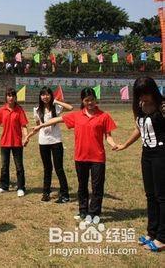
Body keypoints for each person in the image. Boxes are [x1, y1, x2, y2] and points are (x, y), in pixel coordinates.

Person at [32, 87, 118, 222]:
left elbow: (108, 136)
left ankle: (94, 213)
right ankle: (83, 211)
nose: (90, 103)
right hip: (81, 156)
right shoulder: (77, 115)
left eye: (92, 100)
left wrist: (113, 144)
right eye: (87, 100)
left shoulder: (104, 116)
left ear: (96, 100)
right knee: (82, 186)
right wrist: (40, 126)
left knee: (97, 187)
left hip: (98, 157)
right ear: (82, 101)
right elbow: (57, 119)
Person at [114, 77, 165, 252]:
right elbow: (139, 129)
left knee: (162, 196)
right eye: (140, 95)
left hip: (161, 154)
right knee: (150, 195)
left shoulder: (162, 106)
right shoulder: (139, 107)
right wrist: (125, 145)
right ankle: (152, 233)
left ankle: (162, 237)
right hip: (147, 154)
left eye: (147, 94)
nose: (144, 98)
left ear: (153, 91)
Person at [27, 87, 73, 203]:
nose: (45, 97)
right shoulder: (37, 110)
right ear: (40, 96)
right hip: (43, 142)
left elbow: (70, 108)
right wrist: (27, 136)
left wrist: (56, 101)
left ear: (51, 96)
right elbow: (38, 127)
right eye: (43, 95)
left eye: (47, 95)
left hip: (56, 141)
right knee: (47, 168)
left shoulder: (56, 107)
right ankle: (46, 193)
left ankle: (65, 194)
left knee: (59, 168)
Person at [0, 88, 29, 197]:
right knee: (4, 166)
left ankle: (21, 187)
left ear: (15, 97)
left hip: (17, 142)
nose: (11, 97)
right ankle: (4, 186)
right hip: (4, 142)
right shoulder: (2, 110)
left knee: (19, 166)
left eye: (12, 95)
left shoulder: (19, 110)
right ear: (6, 97)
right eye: (8, 95)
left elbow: (23, 126)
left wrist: (26, 137)